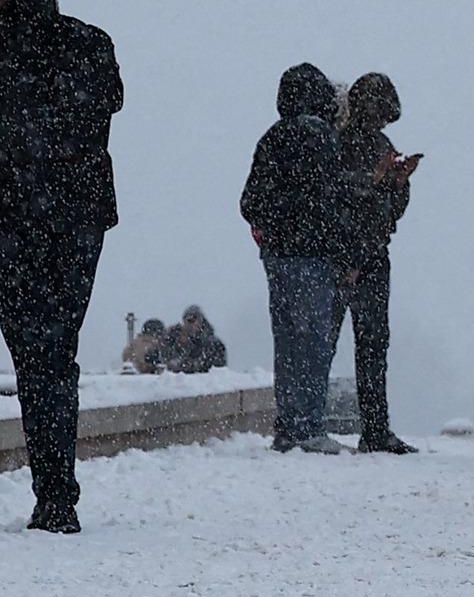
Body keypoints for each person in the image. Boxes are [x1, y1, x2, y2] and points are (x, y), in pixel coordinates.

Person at [0, 0, 124, 532]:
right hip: (79, 215)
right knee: (59, 347)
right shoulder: (92, 43)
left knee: (30, 351)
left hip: (14, 214)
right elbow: (107, 107)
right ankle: (59, 493)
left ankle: (52, 492)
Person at [242, 63, 349, 455]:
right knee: (313, 342)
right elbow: (334, 199)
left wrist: (274, 226)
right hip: (313, 254)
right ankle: (308, 425)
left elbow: (250, 201)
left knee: (287, 342)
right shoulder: (322, 138)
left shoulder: (272, 137)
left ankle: (288, 424)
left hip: (278, 255)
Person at [331, 72, 420, 454]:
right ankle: (316, 424)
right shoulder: (340, 142)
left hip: (371, 253)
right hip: (345, 256)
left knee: (373, 344)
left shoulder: (378, 143)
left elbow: (390, 208)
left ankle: (376, 428)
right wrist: (376, 181)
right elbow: (341, 199)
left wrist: (397, 183)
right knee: (340, 342)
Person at [154, 306, 227, 374]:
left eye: (193, 320)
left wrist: (180, 365)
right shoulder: (177, 339)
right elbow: (165, 359)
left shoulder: (213, 343)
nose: (190, 324)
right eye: (188, 320)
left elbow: (208, 367)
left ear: (201, 322)